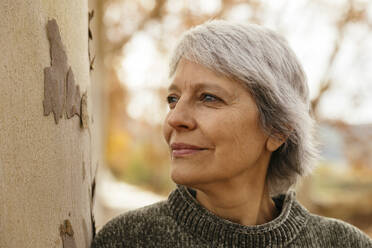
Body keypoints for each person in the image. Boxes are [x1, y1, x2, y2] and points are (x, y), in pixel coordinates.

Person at [91, 20, 372, 248]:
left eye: (209, 98)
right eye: (173, 99)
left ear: (277, 130)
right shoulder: (127, 239)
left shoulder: (344, 244)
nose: (175, 118)